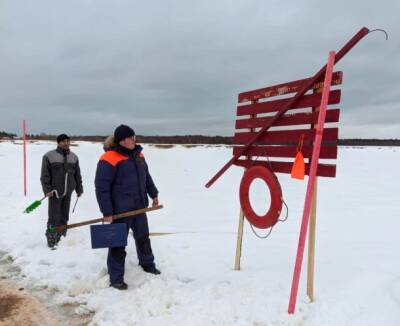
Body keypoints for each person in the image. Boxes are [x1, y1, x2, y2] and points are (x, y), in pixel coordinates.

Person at [95, 125, 160, 290]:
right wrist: (107, 212)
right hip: (120, 211)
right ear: (123, 140)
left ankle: (147, 264)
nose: (134, 139)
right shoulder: (108, 158)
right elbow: (102, 187)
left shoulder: (139, 154)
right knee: (117, 244)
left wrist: (154, 194)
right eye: (131, 137)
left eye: (134, 136)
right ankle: (116, 278)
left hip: (139, 207)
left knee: (143, 237)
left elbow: (147, 176)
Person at [40, 134, 83, 248]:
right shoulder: (49, 156)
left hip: (68, 191)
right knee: (54, 216)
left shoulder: (74, 157)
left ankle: (62, 236)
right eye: (63, 141)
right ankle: (52, 239)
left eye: (68, 141)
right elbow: (45, 176)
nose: (66, 143)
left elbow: (77, 175)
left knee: (64, 216)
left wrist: (79, 188)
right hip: (55, 192)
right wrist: (47, 190)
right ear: (58, 142)